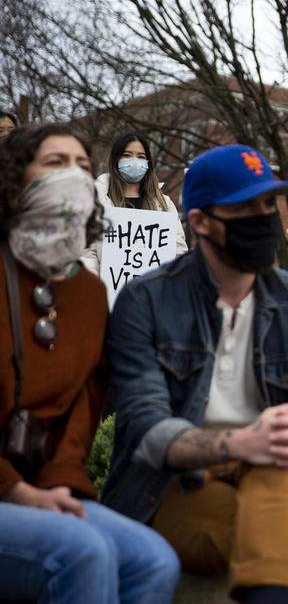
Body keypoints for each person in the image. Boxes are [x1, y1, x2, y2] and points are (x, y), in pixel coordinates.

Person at [100, 144, 288, 604]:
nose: (263, 217)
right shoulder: (145, 301)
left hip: (268, 470)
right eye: (244, 207)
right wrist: (239, 443)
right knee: (274, 513)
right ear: (199, 222)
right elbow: (145, 431)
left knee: (282, 462)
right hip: (169, 488)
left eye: (267, 204)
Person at [0, 123, 180, 604]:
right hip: (10, 492)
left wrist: (59, 484)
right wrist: (17, 492)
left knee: (154, 561)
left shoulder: (86, 294)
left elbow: (81, 409)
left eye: (82, 164)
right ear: (15, 178)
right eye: (56, 163)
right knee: (85, 553)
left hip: (42, 487)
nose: (74, 175)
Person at [81, 132, 188, 275]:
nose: (134, 161)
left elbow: (177, 250)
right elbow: (87, 252)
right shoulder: (97, 201)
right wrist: (96, 287)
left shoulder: (164, 204)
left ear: (148, 163)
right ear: (115, 160)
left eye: (141, 157)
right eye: (127, 155)